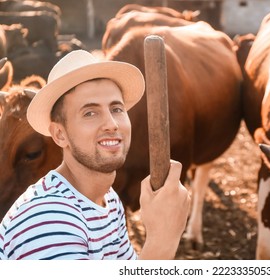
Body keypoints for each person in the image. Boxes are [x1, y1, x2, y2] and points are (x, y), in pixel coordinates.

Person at [0, 50, 191, 260]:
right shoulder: (46, 220)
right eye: (90, 113)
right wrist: (162, 240)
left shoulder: (108, 202)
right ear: (59, 134)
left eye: (117, 109)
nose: (112, 124)